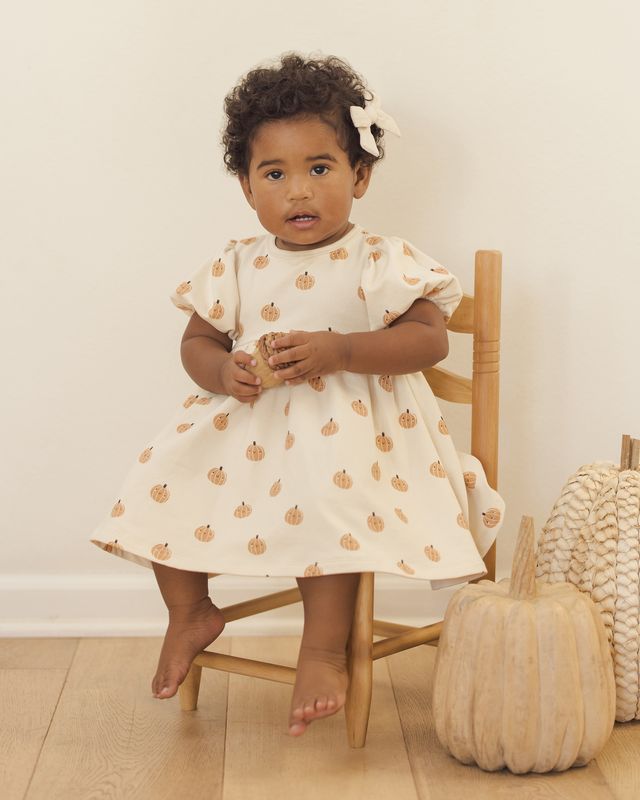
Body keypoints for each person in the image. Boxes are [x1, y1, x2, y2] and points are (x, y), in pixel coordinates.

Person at [91, 52, 505, 737]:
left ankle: (323, 651)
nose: (299, 192)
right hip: (249, 433)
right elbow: (196, 343)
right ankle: (190, 610)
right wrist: (223, 372)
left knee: (324, 491)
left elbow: (431, 341)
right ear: (248, 189)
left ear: (360, 175)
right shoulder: (236, 264)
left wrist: (342, 349)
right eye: (274, 174)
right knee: (161, 476)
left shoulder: (382, 260)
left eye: (320, 168)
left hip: (356, 440)